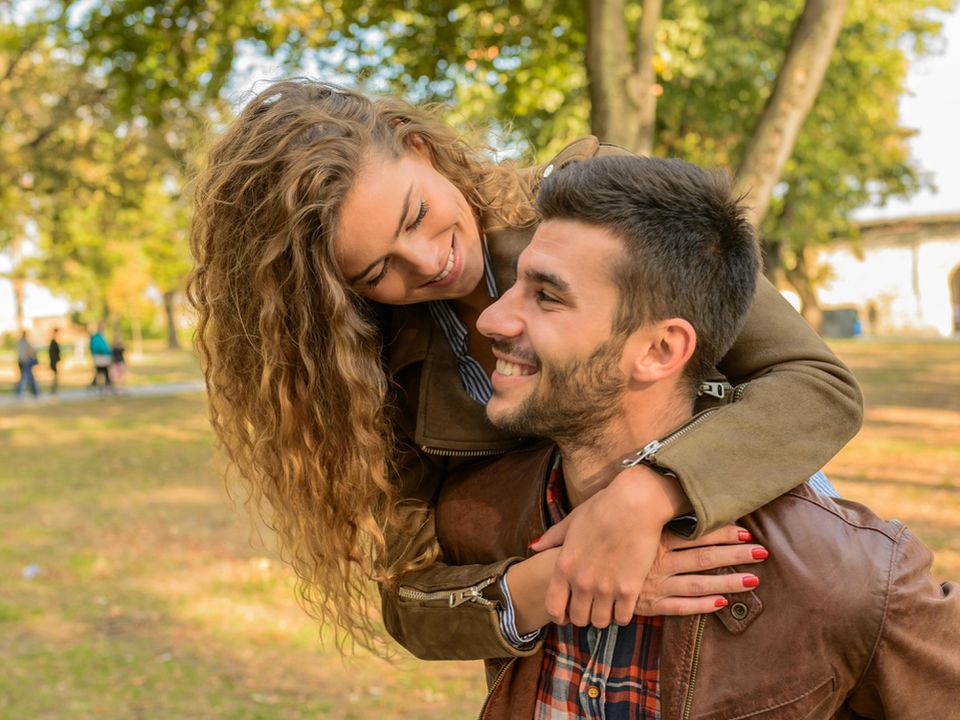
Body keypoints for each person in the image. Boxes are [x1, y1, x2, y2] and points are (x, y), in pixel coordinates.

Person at [187, 79, 863, 656]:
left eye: (417, 215)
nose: (426, 262)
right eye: (376, 270)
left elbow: (815, 385)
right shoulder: (376, 375)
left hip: (759, 602)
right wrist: (566, 577)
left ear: (419, 149)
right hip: (565, 662)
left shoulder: (594, 202)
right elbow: (411, 596)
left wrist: (647, 495)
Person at [438, 154, 960, 718]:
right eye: (517, 285)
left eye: (548, 296)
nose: (490, 320)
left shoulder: (851, 577)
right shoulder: (480, 516)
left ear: (660, 350)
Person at [89, 324, 112, 391]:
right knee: (102, 370)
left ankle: (103, 384)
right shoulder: (97, 337)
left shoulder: (100, 336)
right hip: (101, 356)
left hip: (102, 356)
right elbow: (100, 347)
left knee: (102, 370)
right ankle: (105, 384)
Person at [15, 331, 39, 397]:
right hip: (25, 361)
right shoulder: (25, 342)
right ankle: (34, 392)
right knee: (27, 377)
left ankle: (33, 392)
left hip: (21, 361)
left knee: (24, 377)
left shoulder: (19, 342)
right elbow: (32, 350)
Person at [48, 328, 62, 394]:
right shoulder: (53, 342)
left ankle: (54, 389)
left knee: (56, 376)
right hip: (53, 362)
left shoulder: (54, 342)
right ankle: (53, 389)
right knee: (55, 376)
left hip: (55, 361)